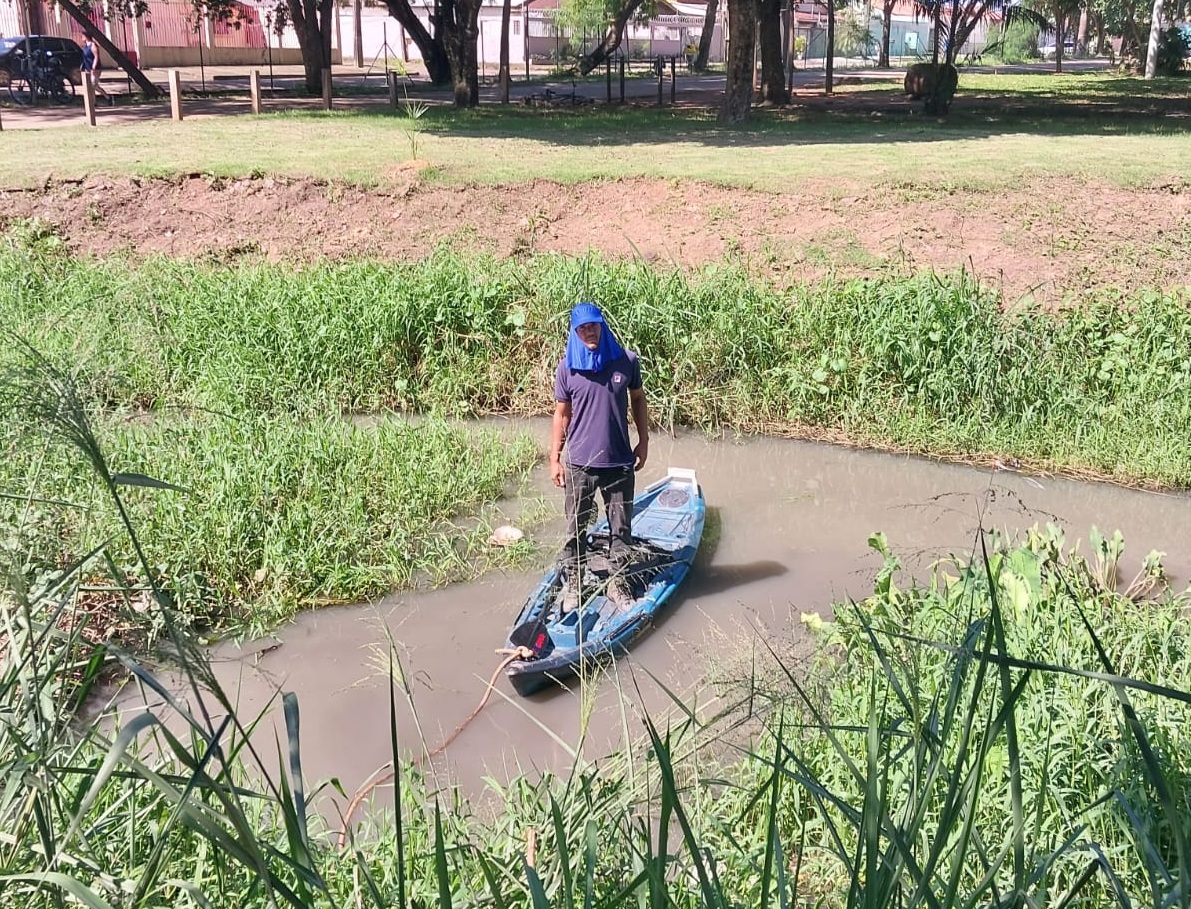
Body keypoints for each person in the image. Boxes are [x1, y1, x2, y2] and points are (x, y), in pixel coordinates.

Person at [550, 302, 649, 612]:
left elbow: (638, 400)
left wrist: (643, 440)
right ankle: (575, 586)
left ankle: (617, 585)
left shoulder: (626, 361)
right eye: (582, 328)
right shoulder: (567, 368)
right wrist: (554, 457)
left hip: (619, 461)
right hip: (579, 462)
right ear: (575, 332)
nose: (589, 331)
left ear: (602, 326)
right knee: (575, 529)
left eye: (593, 325)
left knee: (621, 530)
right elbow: (561, 414)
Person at [81, 35, 111, 104]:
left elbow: (96, 57)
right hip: (87, 68)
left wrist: (93, 67)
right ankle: (93, 102)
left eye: (83, 36)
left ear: (86, 36)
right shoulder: (85, 46)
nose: (82, 37)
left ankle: (108, 97)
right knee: (90, 86)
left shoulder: (93, 45)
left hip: (95, 69)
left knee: (93, 84)